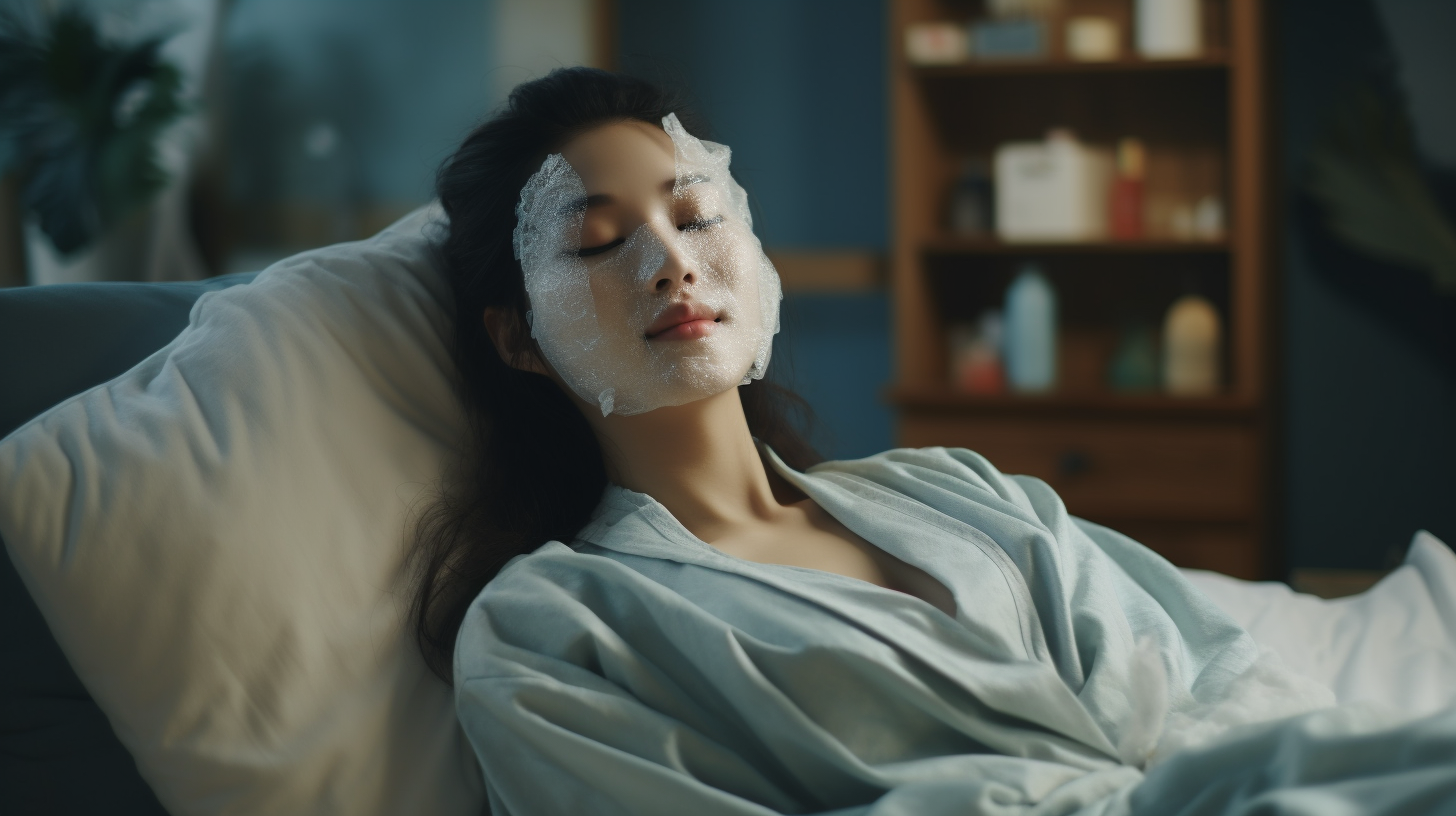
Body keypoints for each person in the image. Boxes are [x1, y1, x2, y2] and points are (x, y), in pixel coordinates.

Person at [414, 67, 1456, 816]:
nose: (670, 262)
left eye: (693, 216)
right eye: (598, 242)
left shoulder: (956, 488)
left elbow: (1216, 667)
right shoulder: (547, 630)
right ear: (520, 339)